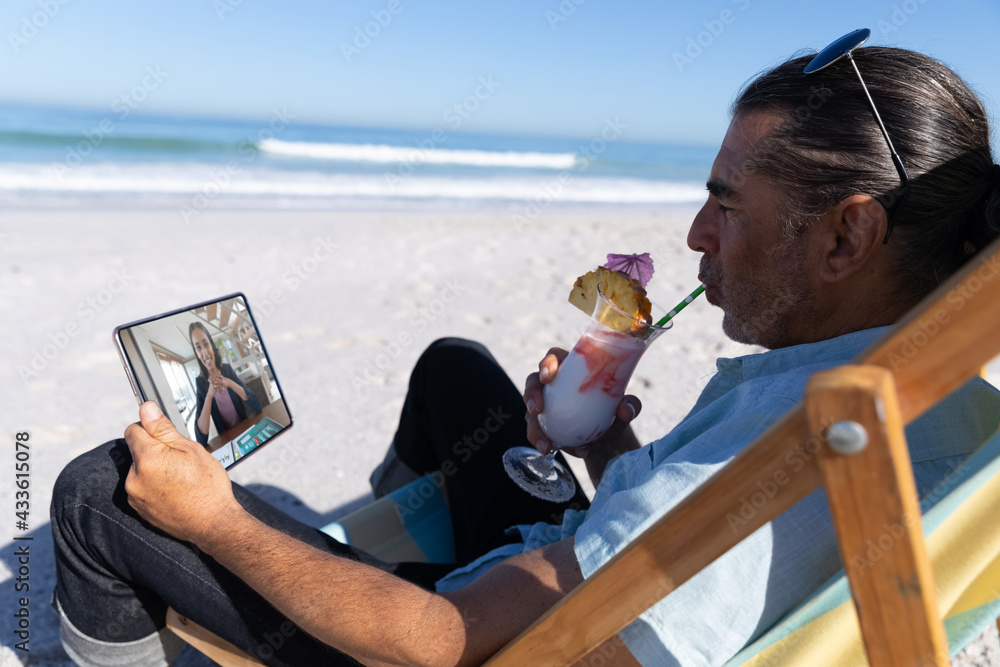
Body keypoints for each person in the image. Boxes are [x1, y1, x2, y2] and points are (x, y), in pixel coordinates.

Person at [50, 40, 1000, 666]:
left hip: (462, 634)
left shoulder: (790, 439)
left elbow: (435, 636)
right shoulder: (930, 391)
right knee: (457, 369)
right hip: (577, 570)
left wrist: (215, 522)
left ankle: (317, 574)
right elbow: (694, 552)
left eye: (727, 203)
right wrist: (610, 453)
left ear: (845, 238)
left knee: (99, 490)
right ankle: (380, 542)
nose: (697, 235)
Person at [189, 321, 262, 447]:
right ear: (196, 352)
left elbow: (257, 406)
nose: (205, 352)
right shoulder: (200, 383)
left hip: (246, 431)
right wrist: (209, 396)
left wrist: (230, 383)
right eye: (198, 348)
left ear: (212, 345)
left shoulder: (227, 370)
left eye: (206, 344)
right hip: (228, 442)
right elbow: (201, 440)